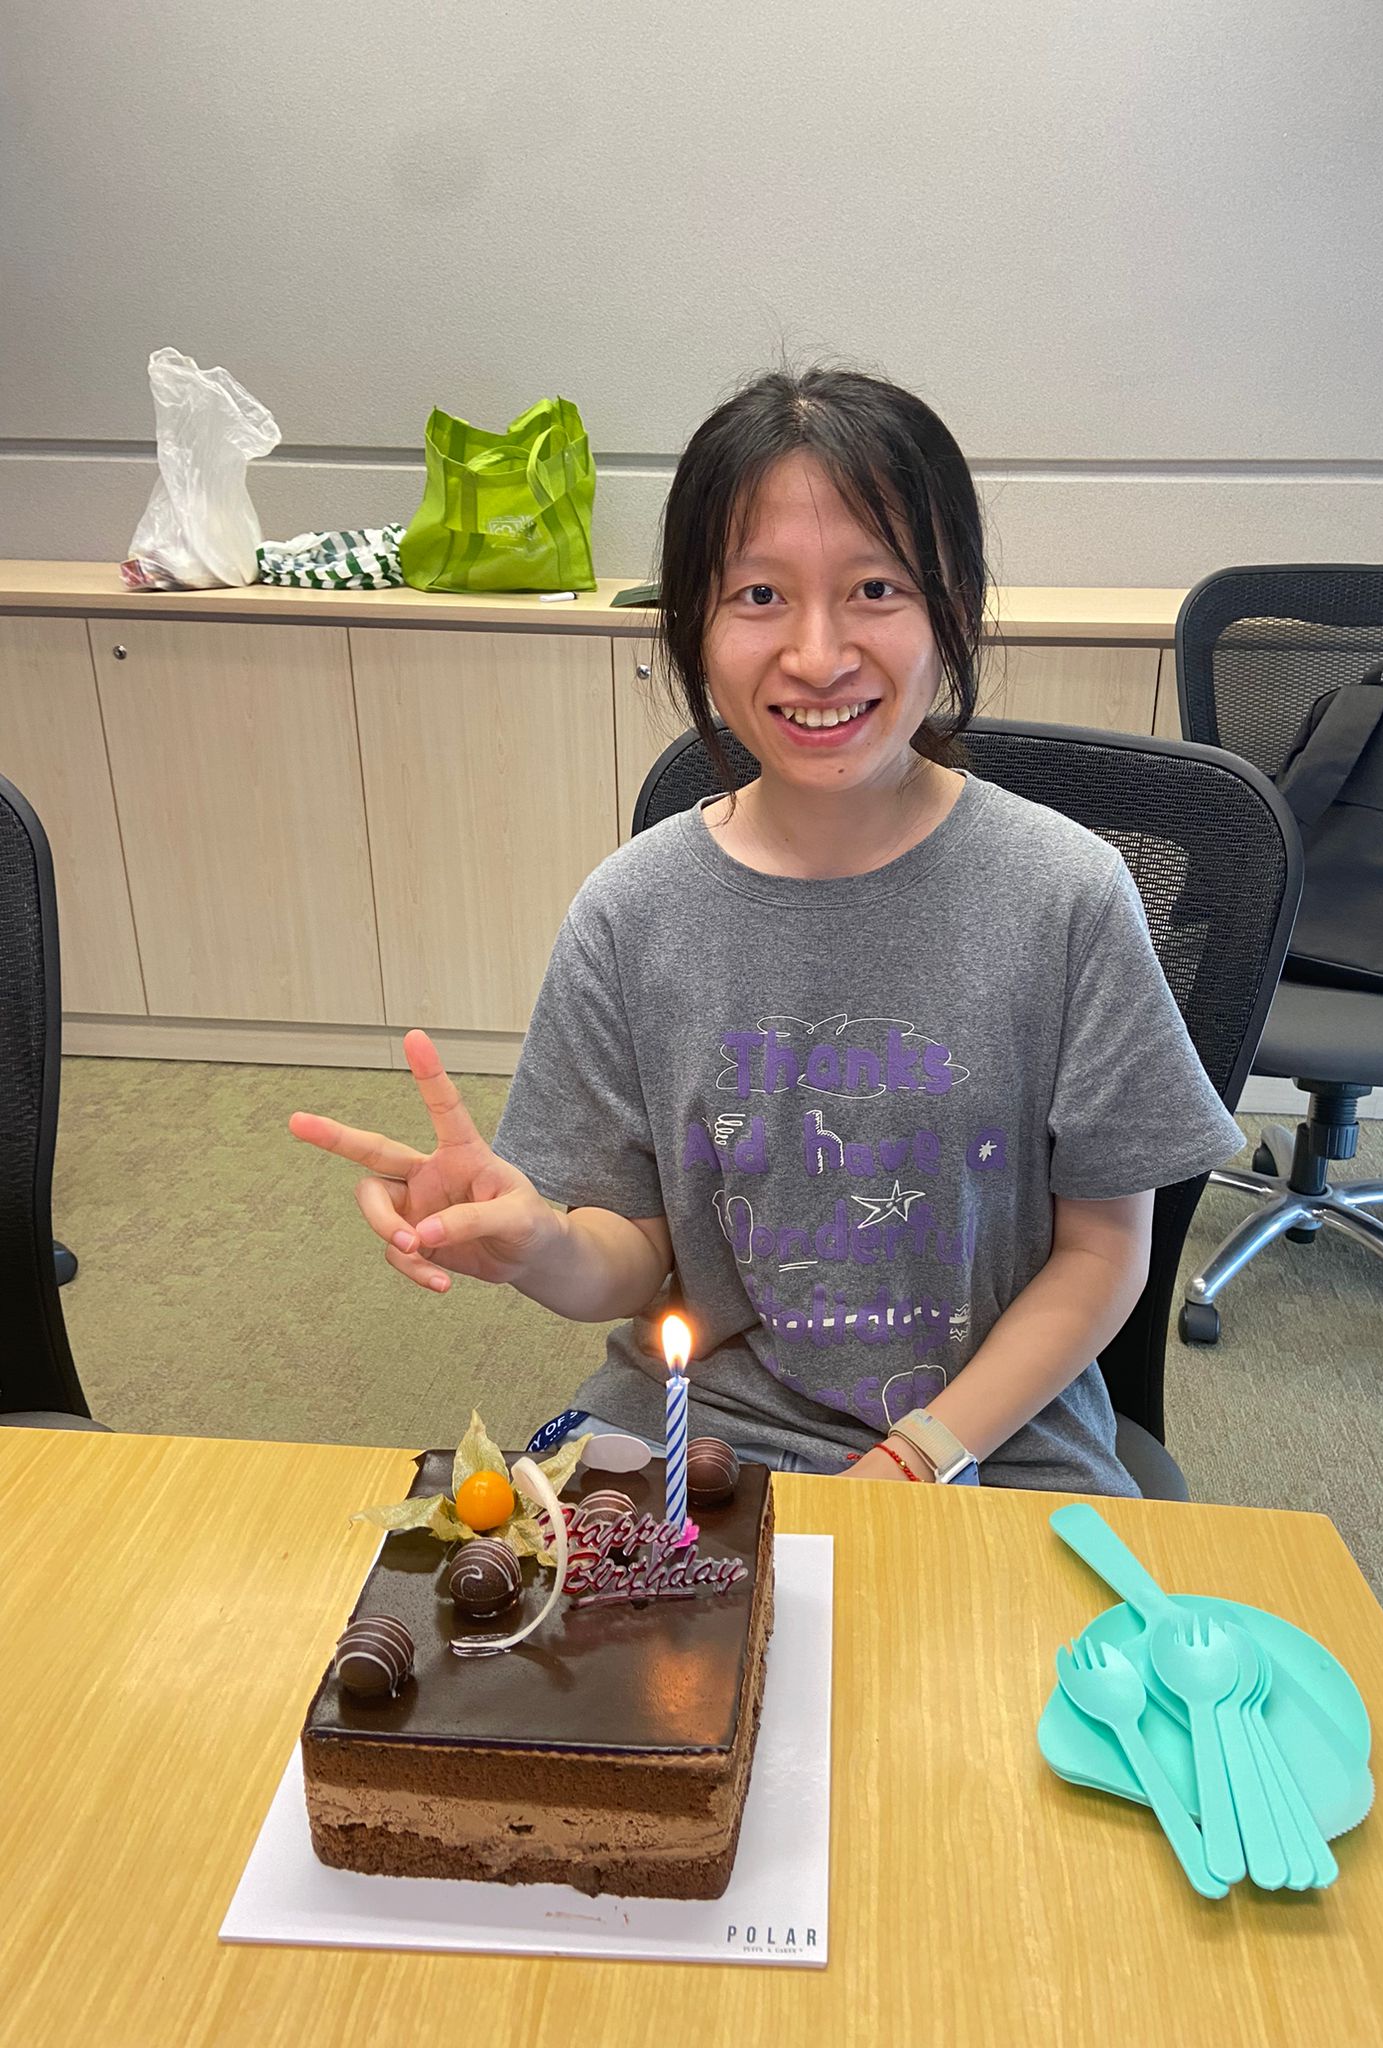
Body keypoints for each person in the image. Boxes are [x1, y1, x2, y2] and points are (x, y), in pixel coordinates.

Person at [290, 363, 1242, 1495]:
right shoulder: (632, 912)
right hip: (698, 1424)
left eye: (877, 587)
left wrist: (916, 1456)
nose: (818, 654)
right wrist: (540, 1243)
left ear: (953, 608)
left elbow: (1103, 1252)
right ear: (692, 625)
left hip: (993, 1440)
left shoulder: (1068, 894)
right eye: (758, 595)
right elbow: (636, 1256)